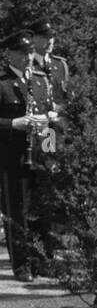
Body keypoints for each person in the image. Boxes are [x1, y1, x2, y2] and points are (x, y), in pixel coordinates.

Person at [0, 29, 56, 282]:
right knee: (17, 212)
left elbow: (49, 120)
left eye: (31, 52)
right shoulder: (2, 83)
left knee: (43, 211)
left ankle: (43, 260)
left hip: (40, 154)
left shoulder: (41, 80)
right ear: (8, 54)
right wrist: (14, 123)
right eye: (22, 52)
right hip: (12, 157)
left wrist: (50, 153)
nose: (28, 57)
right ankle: (22, 265)